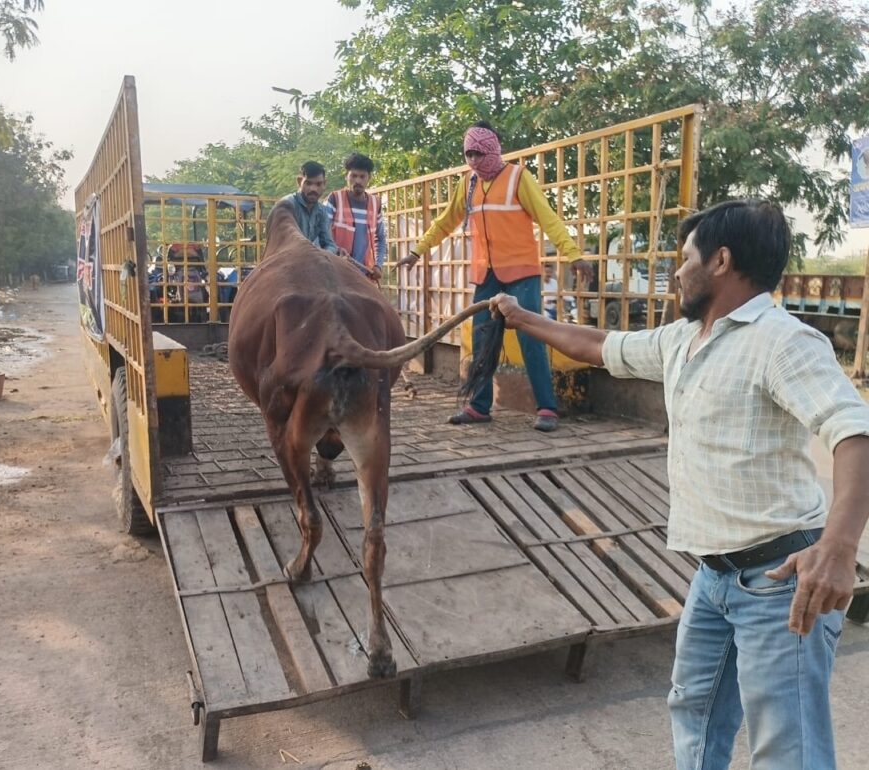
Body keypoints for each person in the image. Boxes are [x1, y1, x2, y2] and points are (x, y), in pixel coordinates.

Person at [487, 199, 869, 770]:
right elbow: (598, 346)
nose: (675, 271)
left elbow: (855, 433)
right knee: (694, 711)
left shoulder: (783, 341)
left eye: (683, 257)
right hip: (712, 577)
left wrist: (838, 550)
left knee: (787, 747)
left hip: (779, 581)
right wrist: (523, 319)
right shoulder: (682, 340)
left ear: (720, 261)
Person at [399, 121, 581, 432]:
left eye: (478, 154)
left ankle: (547, 408)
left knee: (531, 335)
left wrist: (573, 254)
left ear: (493, 150)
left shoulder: (518, 178)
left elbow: (548, 218)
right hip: (486, 274)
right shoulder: (468, 184)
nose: (473, 160)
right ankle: (479, 406)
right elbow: (444, 222)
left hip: (521, 272)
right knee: (482, 339)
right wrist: (418, 251)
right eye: (468, 154)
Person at [325, 152, 387, 282]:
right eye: (353, 176)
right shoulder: (335, 199)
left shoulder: (376, 203)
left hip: (364, 276)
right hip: (336, 272)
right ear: (346, 176)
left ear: (369, 178)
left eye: (362, 176)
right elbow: (322, 233)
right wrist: (336, 251)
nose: (358, 181)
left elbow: (380, 239)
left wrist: (378, 265)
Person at [280, 160, 339, 254]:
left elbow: (330, 245)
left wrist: (325, 254)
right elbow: (284, 243)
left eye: (318, 184)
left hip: (309, 259)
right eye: (308, 183)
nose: (313, 189)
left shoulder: (321, 211)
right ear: (299, 182)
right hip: (286, 259)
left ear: (324, 184)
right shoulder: (286, 205)